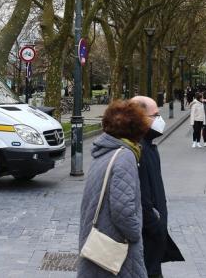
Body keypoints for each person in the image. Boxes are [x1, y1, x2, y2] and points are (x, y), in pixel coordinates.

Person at [78, 100, 149, 277]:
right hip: (115, 246)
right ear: (137, 129)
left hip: (96, 239)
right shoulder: (125, 156)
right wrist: (135, 233)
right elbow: (123, 210)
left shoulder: (103, 152)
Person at [131, 96, 184, 278]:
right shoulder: (138, 151)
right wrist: (156, 227)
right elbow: (142, 199)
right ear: (139, 118)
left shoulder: (149, 147)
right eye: (155, 115)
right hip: (147, 238)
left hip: (153, 237)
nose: (159, 120)